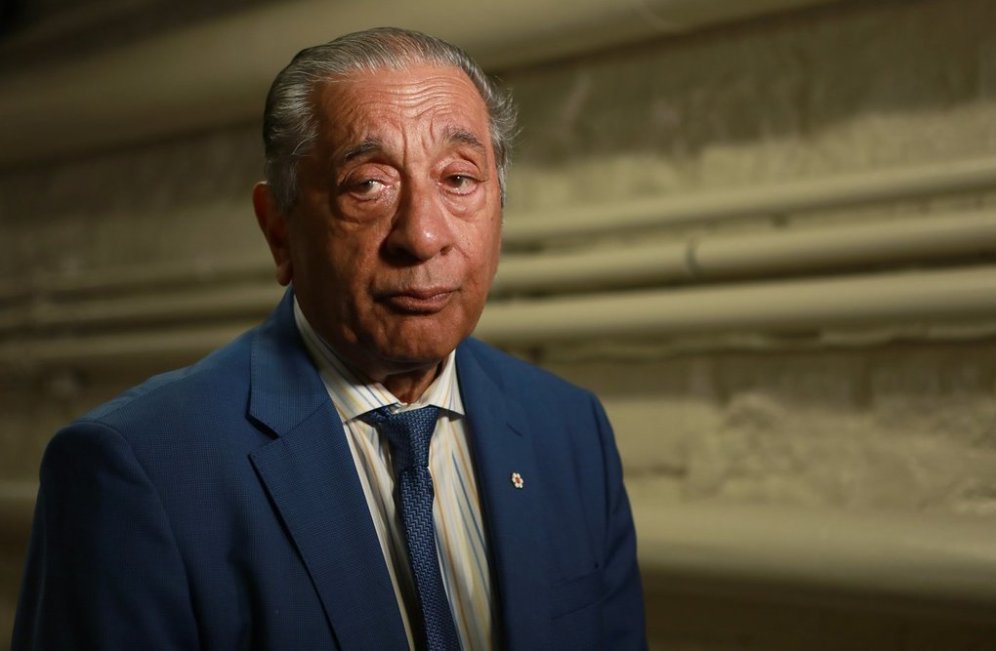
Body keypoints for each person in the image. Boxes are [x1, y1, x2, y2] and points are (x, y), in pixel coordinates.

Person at [12, 27, 646, 650]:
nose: (422, 236)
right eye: (368, 184)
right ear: (279, 231)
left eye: (458, 179)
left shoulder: (569, 428)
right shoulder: (136, 469)